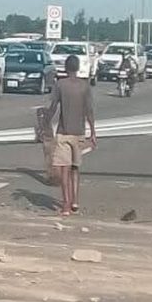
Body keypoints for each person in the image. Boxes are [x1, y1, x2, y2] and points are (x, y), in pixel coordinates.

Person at [42, 55, 96, 216]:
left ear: (66, 68)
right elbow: (89, 111)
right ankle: (75, 202)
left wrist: (45, 123)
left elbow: (52, 107)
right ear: (78, 68)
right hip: (79, 132)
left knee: (64, 170)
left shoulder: (60, 85)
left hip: (63, 132)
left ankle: (65, 205)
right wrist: (93, 132)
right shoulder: (84, 86)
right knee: (75, 169)